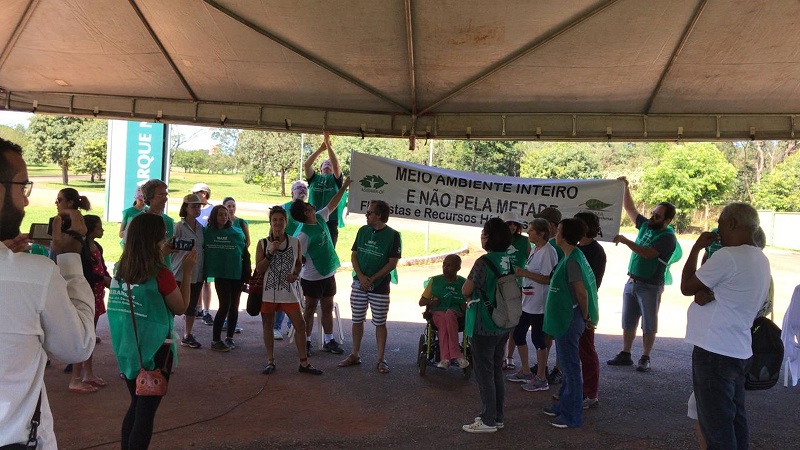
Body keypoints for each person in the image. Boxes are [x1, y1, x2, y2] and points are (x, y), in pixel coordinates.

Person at [0, 139, 96, 449]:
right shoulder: (36, 275)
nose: (26, 202)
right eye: (22, 188)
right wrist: (69, 258)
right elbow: (77, 347)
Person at [680, 202, 771, 450]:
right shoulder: (760, 259)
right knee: (735, 421)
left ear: (732, 224)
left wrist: (697, 248)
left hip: (715, 352)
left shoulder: (729, 256)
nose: (718, 230)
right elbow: (725, 293)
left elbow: (687, 287)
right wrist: (708, 292)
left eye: (720, 223)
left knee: (717, 428)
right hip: (738, 350)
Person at [107, 213, 195, 450]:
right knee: (145, 415)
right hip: (156, 351)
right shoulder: (161, 273)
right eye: (163, 234)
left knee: (136, 405)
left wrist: (163, 253)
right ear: (155, 238)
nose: (166, 237)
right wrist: (187, 272)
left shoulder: (120, 268)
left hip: (128, 348)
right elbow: (180, 307)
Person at [609, 176, 677, 372]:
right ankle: (626, 353)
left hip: (651, 284)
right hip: (632, 280)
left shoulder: (667, 238)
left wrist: (626, 241)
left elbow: (648, 254)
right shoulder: (646, 225)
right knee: (628, 320)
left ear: (667, 220)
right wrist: (625, 188)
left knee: (649, 322)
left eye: (657, 216)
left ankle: (645, 357)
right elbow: (630, 209)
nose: (652, 218)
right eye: (653, 213)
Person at [542, 218, 599, 429]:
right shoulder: (573, 255)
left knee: (571, 368)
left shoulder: (573, 259)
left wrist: (585, 318)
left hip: (569, 318)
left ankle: (572, 415)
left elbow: (581, 291)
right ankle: (564, 405)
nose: (555, 233)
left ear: (564, 235)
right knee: (568, 366)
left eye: (558, 230)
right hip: (567, 318)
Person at [460, 218, 513, 433]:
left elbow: (466, 289)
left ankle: (488, 420)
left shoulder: (483, 262)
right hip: (504, 323)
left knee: (484, 373)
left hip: (484, 323)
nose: (481, 236)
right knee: (496, 371)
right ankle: (497, 416)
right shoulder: (507, 260)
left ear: (490, 237)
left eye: (484, 233)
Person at [256, 205, 322, 375]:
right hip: (268, 292)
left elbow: (299, 263)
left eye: (281, 220)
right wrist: (271, 252)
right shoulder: (263, 243)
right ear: (270, 223)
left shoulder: (295, 242)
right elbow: (260, 269)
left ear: (286, 222)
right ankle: (270, 361)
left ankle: (304, 362)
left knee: (300, 324)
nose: (277, 223)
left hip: (288, 291)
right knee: (268, 325)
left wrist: (296, 274)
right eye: (274, 220)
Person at [338, 199, 402, 374]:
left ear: (379, 215)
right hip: (359, 283)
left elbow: (392, 263)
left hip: (379, 286)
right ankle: (355, 354)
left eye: (369, 212)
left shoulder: (394, 235)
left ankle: (381, 359)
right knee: (357, 319)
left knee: (380, 322)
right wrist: (361, 277)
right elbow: (354, 255)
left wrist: (372, 279)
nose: (366, 215)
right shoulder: (363, 231)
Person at [290, 178, 352, 356]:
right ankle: (307, 341)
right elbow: (297, 258)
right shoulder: (302, 235)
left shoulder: (319, 217)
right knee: (309, 309)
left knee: (327, 305)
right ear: (306, 213)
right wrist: (295, 273)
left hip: (328, 272)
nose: (311, 205)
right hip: (312, 277)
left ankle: (329, 340)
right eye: (308, 206)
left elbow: (332, 204)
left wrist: (345, 186)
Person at [510, 218, 558, 391]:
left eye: (531, 231)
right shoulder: (535, 249)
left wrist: (524, 273)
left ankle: (541, 377)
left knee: (538, 339)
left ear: (541, 233)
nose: (527, 233)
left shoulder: (547, 252)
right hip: (528, 301)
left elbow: (547, 279)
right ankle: (525, 371)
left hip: (539, 304)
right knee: (518, 334)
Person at [67, 215, 111, 394]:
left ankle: (88, 373)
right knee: (83, 335)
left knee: (90, 334)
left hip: (97, 294)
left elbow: (102, 266)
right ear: (91, 229)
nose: (102, 230)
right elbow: (84, 274)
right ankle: (76, 378)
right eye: (100, 227)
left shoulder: (96, 247)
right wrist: (103, 278)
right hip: (86, 294)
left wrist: (108, 278)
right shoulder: (81, 249)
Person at [574, 212, 606, 409]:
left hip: (584, 305)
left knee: (586, 350)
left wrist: (585, 311)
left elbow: (591, 283)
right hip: (572, 305)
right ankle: (576, 389)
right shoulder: (577, 248)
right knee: (572, 350)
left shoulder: (596, 251)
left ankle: (591, 392)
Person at [204, 205, 247, 351]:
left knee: (234, 306)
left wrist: (246, 275)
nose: (223, 217)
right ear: (214, 217)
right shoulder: (208, 232)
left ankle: (229, 338)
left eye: (225, 214)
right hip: (221, 275)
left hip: (236, 275)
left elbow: (244, 253)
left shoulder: (235, 232)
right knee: (224, 305)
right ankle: (216, 340)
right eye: (220, 215)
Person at [418, 254, 468, 370]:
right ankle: (455, 355)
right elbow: (421, 302)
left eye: (449, 266)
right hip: (438, 313)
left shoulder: (463, 283)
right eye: (444, 265)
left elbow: (467, 302)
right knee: (445, 317)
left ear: (457, 268)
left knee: (449, 314)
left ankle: (446, 358)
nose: (445, 268)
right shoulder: (435, 281)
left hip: (456, 314)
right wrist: (430, 302)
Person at [274, 180, 309, 340]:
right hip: (285, 253)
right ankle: (276, 326)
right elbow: (274, 228)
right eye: (298, 189)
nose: (301, 192)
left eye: (304, 189)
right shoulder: (283, 208)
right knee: (282, 291)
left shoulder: (308, 209)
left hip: (302, 256)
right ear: (292, 192)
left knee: (297, 293)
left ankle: (292, 326)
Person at [172, 194, 205, 349]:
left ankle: (187, 334)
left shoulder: (202, 228)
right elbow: (170, 246)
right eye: (193, 206)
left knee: (192, 305)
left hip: (197, 271)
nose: (197, 209)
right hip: (179, 271)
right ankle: (168, 331)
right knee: (173, 303)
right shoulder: (178, 226)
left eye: (199, 206)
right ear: (185, 208)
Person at [500, 211, 529, 371]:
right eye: (508, 223)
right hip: (500, 286)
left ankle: (510, 357)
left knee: (514, 324)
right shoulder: (498, 241)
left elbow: (531, 261)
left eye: (514, 223)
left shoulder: (525, 241)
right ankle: (501, 357)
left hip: (518, 286)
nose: (511, 226)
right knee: (501, 322)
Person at [304, 132, 343, 246]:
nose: (328, 164)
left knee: (328, 250)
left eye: (329, 164)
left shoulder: (336, 179)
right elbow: (307, 165)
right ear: (320, 168)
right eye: (325, 163)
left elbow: (336, 165)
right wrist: (321, 149)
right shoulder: (314, 178)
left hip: (330, 221)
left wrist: (328, 145)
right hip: (312, 219)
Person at [223, 196, 249, 334]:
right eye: (228, 206)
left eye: (233, 206)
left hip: (238, 263)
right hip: (224, 265)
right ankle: (224, 321)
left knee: (235, 298)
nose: (231, 209)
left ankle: (232, 323)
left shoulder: (241, 222)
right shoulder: (220, 223)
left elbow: (247, 242)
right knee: (225, 297)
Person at [192, 182, 215, 327]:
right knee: (197, 280)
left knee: (207, 282)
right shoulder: (194, 209)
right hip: (196, 251)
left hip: (209, 252)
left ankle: (207, 310)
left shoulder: (212, 210)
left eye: (196, 193)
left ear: (204, 193)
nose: (195, 196)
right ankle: (198, 308)